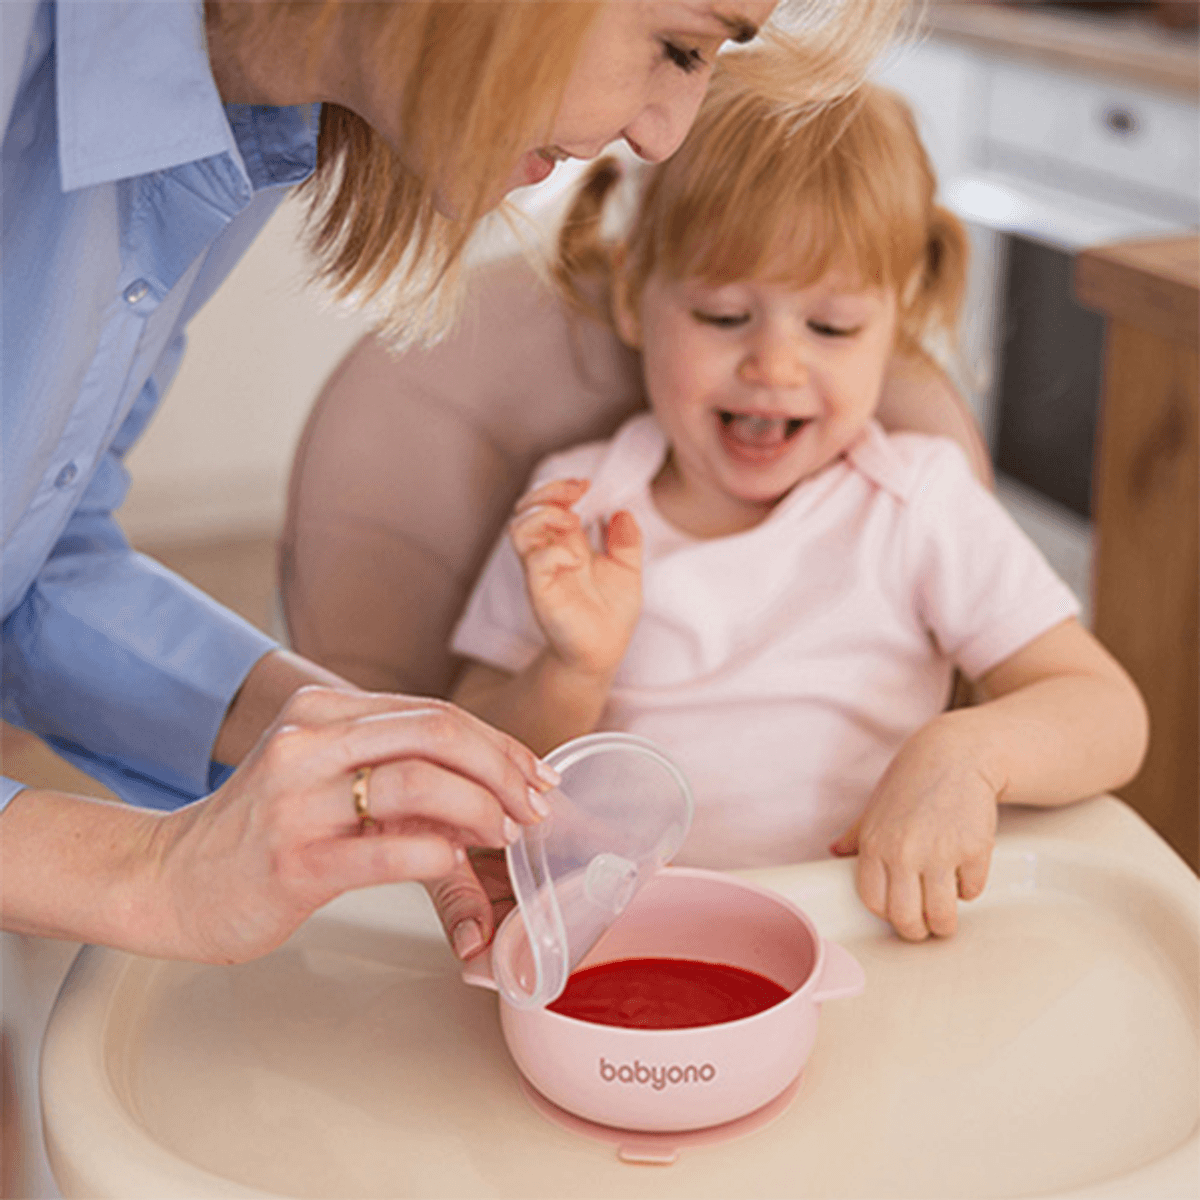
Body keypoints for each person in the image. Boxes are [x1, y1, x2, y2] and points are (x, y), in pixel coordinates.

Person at [447, 64, 1150, 943]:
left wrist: (966, 752)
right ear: (635, 298)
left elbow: (1108, 712)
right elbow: (466, 756)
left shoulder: (915, 504)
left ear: (895, 325)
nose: (774, 367)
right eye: (723, 316)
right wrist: (570, 673)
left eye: (830, 328)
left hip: (860, 935)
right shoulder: (574, 510)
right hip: (618, 944)